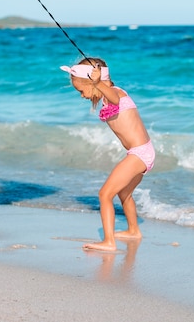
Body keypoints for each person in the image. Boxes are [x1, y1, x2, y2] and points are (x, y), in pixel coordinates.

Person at [60, 58, 155, 251]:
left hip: (139, 153)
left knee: (105, 194)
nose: (81, 96)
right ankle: (133, 230)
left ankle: (109, 241)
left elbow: (114, 98)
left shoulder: (115, 94)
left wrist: (97, 83)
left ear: (93, 82)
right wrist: (97, 84)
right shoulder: (108, 97)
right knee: (124, 193)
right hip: (143, 151)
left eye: (81, 90)